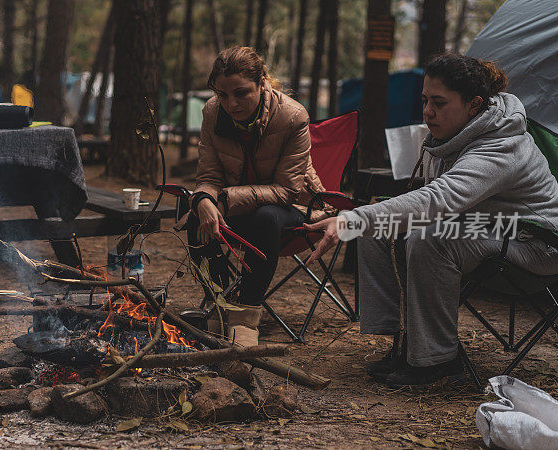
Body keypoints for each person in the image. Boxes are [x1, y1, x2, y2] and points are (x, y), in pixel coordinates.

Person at [306, 53, 558, 386]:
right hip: (488, 228)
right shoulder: (452, 134)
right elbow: (433, 202)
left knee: (429, 239)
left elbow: (439, 200)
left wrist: (351, 220)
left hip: (534, 242)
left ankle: (439, 362)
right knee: (380, 229)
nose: (427, 111)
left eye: (438, 103)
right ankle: (406, 341)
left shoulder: (501, 146)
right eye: (425, 100)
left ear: (474, 104)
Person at [188, 46, 332, 347]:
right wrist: (204, 200)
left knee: (264, 217)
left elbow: (287, 190)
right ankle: (220, 302)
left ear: (262, 82)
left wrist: (225, 199)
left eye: (241, 93)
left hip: (292, 208)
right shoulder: (212, 112)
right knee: (194, 217)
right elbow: (209, 176)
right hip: (239, 207)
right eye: (223, 94)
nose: (231, 103)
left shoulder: (292, 116)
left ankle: (246, 316)